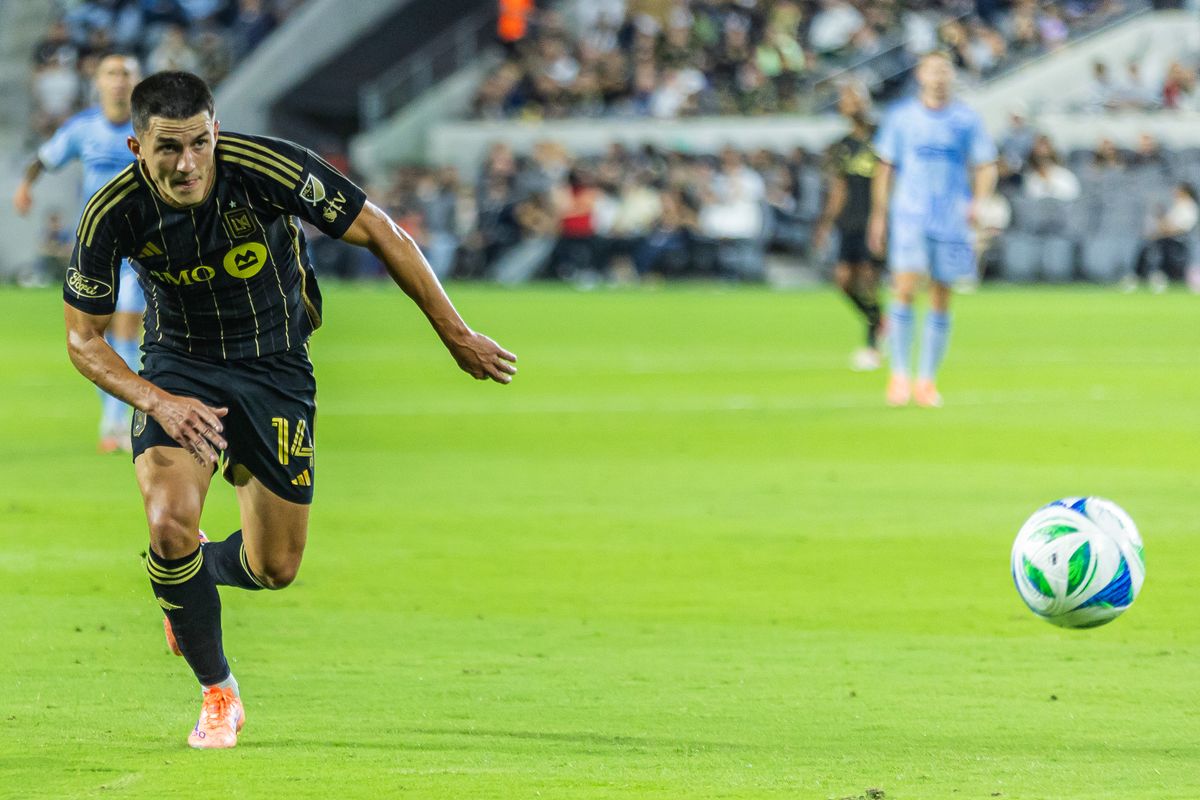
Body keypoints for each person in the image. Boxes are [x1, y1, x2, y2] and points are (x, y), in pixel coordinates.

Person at [61, 71, 517, 750]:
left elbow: (382, 230)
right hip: (179, 367)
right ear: (136, 147)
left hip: (275, 366)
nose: (186, 163)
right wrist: (158, 399)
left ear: (215, 133)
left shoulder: (266, 168)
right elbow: (83, 337)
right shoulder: (113, 214)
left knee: (275, 567)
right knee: (167, 521)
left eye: (199, 143)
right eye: (167, 149)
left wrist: (458, 335)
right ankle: (219, 692)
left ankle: (193, 582)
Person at [15, 52, 145, 453]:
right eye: (111, 73)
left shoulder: (150, 127)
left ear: (136, 81)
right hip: (94, 248)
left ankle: (116, 421)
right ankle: (114, 422)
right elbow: (44, 158)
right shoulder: (82, 128)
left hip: (140, 249)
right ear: (99, 82)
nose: (119, 80)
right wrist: (25, 187)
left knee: (127, 325)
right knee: (93, 335)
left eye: (125, 73)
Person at [867, 50, 997, 407]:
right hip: (910, 215)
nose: (939, 77)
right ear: (921, 75)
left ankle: (926, 379)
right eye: (932, 70)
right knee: (905, 287)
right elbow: (886, 167)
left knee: (941, 293)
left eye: (945, 70)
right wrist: (879, 215)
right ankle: (899, 376)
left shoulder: (966, 119)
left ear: (952, 75)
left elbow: (985, 164)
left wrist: (979, 201)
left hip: (952, 218)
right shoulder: (902, 118)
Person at [813, 80, 885, 372]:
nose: (846, 103)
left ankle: (872, 343)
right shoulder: (841, 147)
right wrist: (826, 223)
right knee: (843, 280)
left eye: (851, 97)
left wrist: (885, 217)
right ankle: (877, 319)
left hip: (874, 216)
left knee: (868, 278)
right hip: (850, 219)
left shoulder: (881, 137)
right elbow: (838, 188)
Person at [1129, 183, 1199, 293]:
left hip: (1178, 240)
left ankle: (1159, 276)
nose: (1175, 192)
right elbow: (1167, 224)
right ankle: (1138, 276)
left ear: (1185, 192)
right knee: (1145, 247)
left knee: (1162, 250)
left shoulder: (1189, 207)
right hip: (1167, 237)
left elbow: (1181, 229)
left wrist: (1162, 231)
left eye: (1178, 190)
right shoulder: (1178, 206)